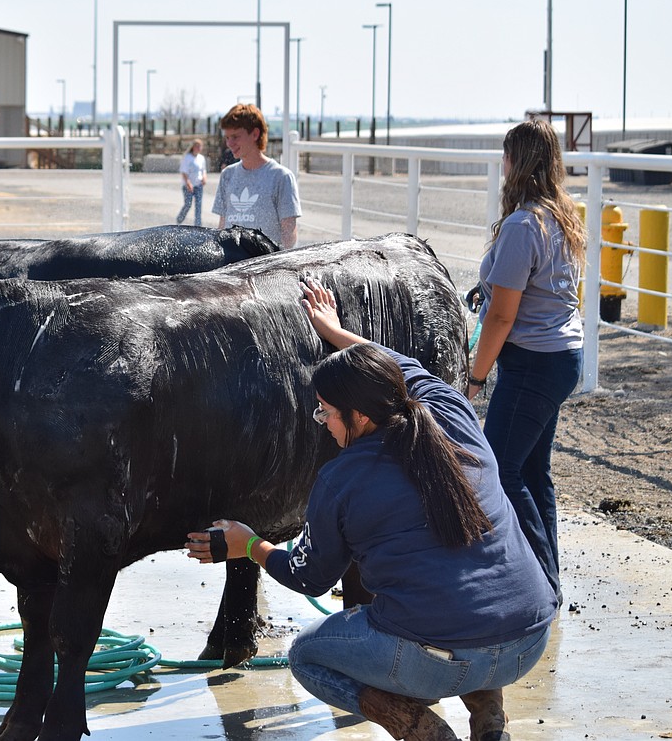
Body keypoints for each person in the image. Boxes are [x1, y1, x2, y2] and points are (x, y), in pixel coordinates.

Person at [185, 279, 557, 741]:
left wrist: (250, 545)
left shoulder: (341, 479)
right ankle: (489, 723)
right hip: (528, 638)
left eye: (325, 412)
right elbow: (402, 368)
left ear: (358, 417)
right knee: (468, 604)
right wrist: (335, 332)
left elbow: (309, 578)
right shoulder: (450, 409)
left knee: (307, 655)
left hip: (438, 660)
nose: (323, 423)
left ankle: (422, 731)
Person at [467, 118, 586, 604]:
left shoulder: (522, 226)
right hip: (562, 357)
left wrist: (475, 377)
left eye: (506, 155)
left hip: (533, 362)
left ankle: (538, 584)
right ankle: (549, 579)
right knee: (534, 470)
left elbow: (501, 317)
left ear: (516, 162)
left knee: (500, 469)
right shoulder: (562, 217)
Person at [212, 103, 301, 249]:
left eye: (235, 136)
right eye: (227, 137)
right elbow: (222, 226)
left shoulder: (281, 177)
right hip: (231, 267)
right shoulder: (227, 175)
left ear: (255, 134)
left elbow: (289, 232)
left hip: (265, 267)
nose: (229, 143)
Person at [175, 139, 207, 226]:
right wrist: (188, 183)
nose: (199, 148)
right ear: (193, 147)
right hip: (187, 185)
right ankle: (179, 219)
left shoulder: (201, 158)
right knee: (188, 204)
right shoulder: (187, 157)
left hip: (198, 185)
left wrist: (204, 177)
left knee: (198, 206)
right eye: (197, 146)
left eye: (200, 146)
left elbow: (203, 170)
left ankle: (198, 225)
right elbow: (184, 172)